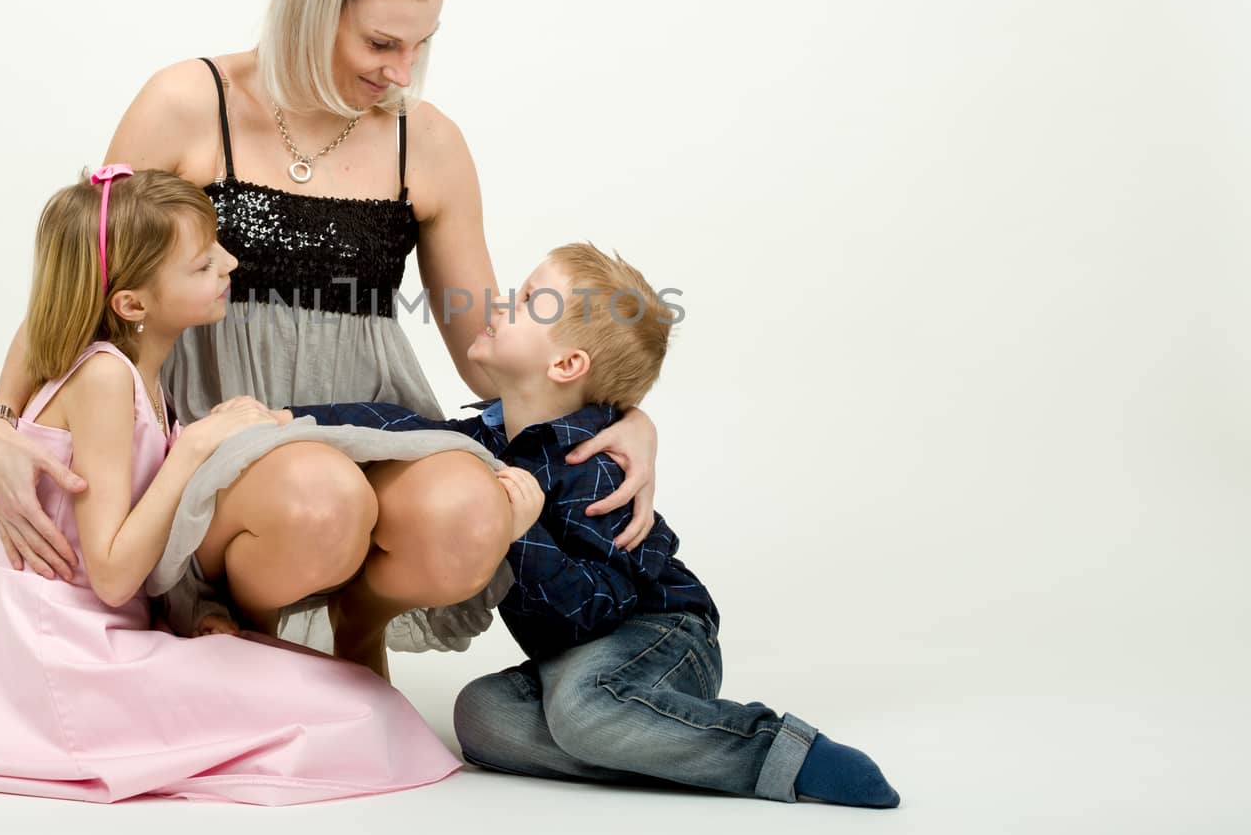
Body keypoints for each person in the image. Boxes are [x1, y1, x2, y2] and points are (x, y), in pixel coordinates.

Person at [0, 0, 666, 673]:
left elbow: (489, 347)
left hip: (377, 430)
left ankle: (355, 628)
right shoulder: (188, 104)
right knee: (319, 493)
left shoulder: (427, 145)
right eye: (380, 43)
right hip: (224, 433)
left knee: (473, 508)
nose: (402, 71)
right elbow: (83, 278)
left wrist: (620, 411)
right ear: (310, 8)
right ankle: (234, 626)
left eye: (421, 44)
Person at [0, 167, 461, 804]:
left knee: (359, 703)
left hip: (102, 640)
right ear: (133, 304)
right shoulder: (102, 379)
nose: (232, 262)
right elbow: (110, 574)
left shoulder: (141, 379)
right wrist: (199, 447)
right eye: (203, 263)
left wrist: (200, 610)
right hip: (62, 662)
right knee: (359, 714)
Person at [288, 243, 901, 808]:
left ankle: (779, 753)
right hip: (571, 662)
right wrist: (286, 418)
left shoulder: (595, 467)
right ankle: (656, 741)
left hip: (657, 633)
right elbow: (396, 426)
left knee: (582, 711)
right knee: (480, 717)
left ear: (566, 363)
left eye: (528, 300)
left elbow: (596, 612)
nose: (500, 302)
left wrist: (519, 530)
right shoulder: (483, 440)